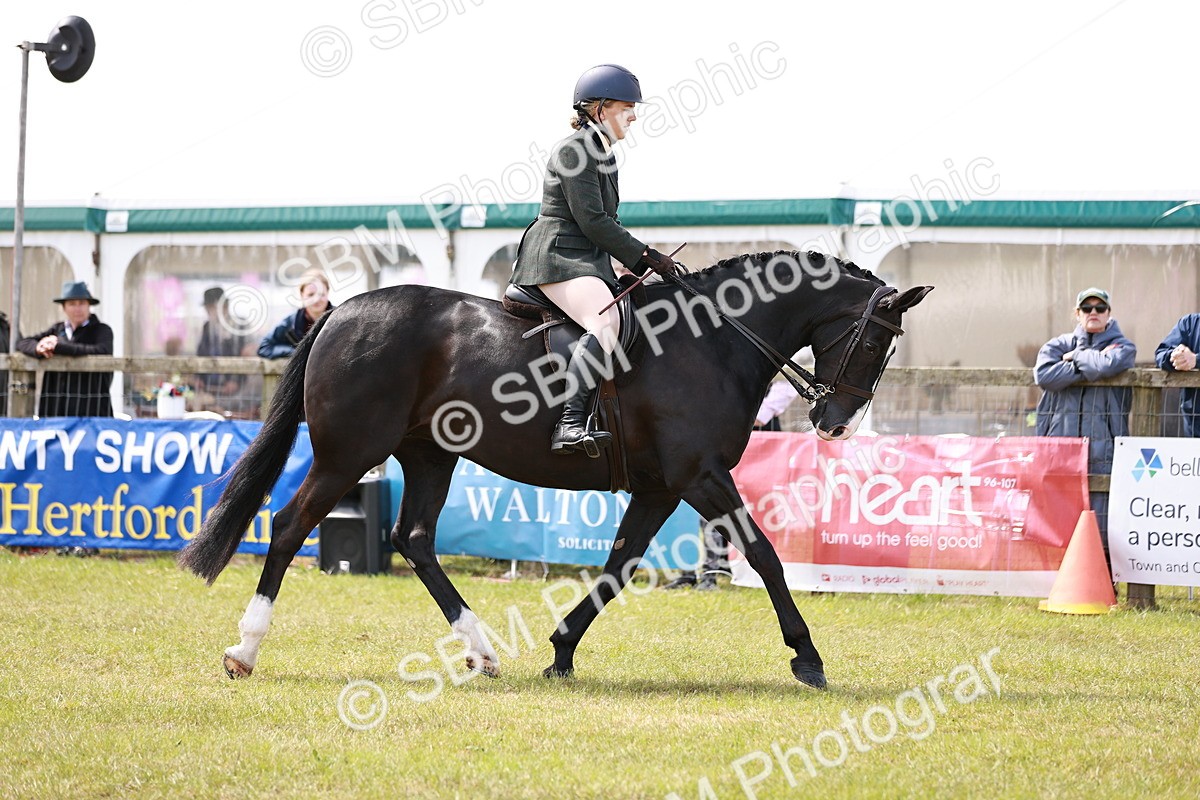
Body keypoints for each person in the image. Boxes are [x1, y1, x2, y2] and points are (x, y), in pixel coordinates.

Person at [510, 64, 680, 457]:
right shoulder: (575, 150)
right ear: (600, 108)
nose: (634, 115)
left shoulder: (604, 154)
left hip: (586, 258)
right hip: (557, 256)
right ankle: (569, 423)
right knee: (604, 323)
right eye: (627, 107)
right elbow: (593, 220)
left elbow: (609, 222)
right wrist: (645, 256)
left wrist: (631, 264)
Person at [665, 379, 804, 590]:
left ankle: (719, 569)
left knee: (735, 512)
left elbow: (759, 417)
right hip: (729, 450)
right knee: (707, 507)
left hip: (761, 457)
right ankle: (704, 570)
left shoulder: (782, 382)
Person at [1034, 287, 1136, 563]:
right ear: (1077, 314)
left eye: (1099, 308)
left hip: (1105, 445)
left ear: (1108, 314)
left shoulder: (1124, 346)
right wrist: (1089, 363)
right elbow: (1044, 375)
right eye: (1087, 308)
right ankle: (1060, 576)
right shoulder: (1058, 344)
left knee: (1102, 514)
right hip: (1061, 444)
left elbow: (1107, 365)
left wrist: (1076, 358)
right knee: (1059, 510)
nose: (1093, 313)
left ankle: (1102, 578)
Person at [15, 280, 114, 417]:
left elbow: (102, 350)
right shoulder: (57, 329)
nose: (77, 308)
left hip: (92, 410)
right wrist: (40, 348)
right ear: (64, 307)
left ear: (89, 306)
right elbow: (22, 343)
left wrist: (59, 347)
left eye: (82, 303)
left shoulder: (102, 330)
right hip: (55, 409)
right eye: (72, 304)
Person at [258, 270, 334, 359]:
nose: (316, 299)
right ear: (302, 295)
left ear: (328, 293)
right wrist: (295, 352)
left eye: (321, 294)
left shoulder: (341, 319)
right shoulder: (290, 323)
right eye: (311, 295)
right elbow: (264, 347)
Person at [196, 287, 247, 413]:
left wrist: (235, 381)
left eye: (213, 307)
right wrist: (199, 377)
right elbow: (201, 353)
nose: (210, 312)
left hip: (235, 390)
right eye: (208, 308)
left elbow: (242, 356)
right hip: (210, 387)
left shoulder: (239, 326)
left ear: (225, 306)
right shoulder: (207, 327)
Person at [1154, 313, 1200, 436]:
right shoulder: (1190, 323)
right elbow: (1160, 354)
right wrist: (1176, 357)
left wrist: (1195, 360)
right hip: (1194, 426)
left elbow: (1194, 359)